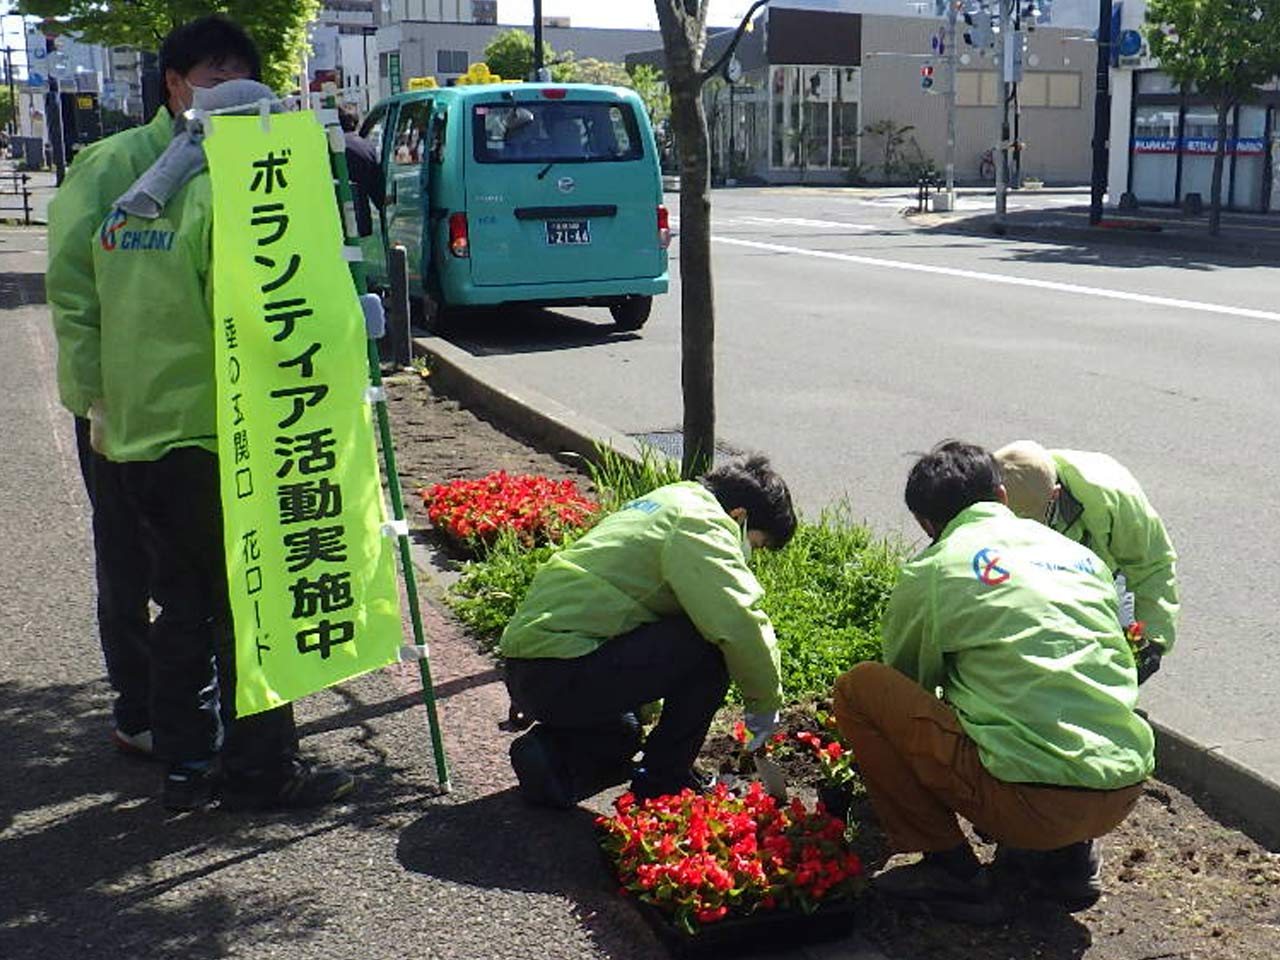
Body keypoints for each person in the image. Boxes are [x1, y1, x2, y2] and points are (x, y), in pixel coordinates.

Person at [46, 15, 354, 813]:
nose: (229, 96)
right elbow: (78, 303)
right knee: (232, 599)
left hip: (148, 428)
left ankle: (183, 755)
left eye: (237, 79)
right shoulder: (144, 172)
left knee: (180, 598)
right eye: (214, 79)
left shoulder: (145, 196)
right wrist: (92, 405)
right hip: (207, 430)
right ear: (174, 83)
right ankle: (248, 764)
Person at [832, 441, 1154, 922]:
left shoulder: (935, 569)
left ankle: (950, 869)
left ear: (925, 524)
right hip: (1124, 787)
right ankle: (1067, 861)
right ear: (1003, 496)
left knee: (861, 689)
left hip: (1029, 804)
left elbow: (909, 683)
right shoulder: (1080, 557)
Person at [501, 455, 797, 807]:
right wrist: (765, 706)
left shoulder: (671, 499)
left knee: (624, 734)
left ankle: (550, 755)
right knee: (710, 648)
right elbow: (738, 621)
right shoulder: (700, 524)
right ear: (739, 516)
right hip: (561, 672)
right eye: (758, 544)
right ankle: (663, 784)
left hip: (533, 668)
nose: (752, 553)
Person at [993, 441, 1178, 682]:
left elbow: (1150, 566)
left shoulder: (1113, 495)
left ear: (1055, 494)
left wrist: (1151, 640)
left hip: (1099, 573)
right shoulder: (983, 489)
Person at [338, 103, 384, 239]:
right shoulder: (368, 147)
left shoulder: (326, 146)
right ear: (357, 123)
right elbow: (376, 188)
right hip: (361, 219)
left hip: (335, 220)